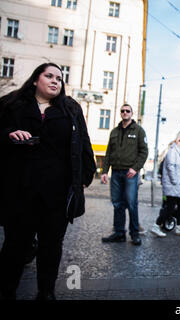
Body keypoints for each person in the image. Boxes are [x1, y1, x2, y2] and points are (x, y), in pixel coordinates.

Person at [0, 62, 96, 300]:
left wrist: (84, 177)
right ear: (35, 79)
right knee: (15, 245)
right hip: (20, 189)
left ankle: (46, 293)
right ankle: (6, 291)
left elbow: (83, 142)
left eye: (59, 78)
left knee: (51, 247)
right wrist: (8, 134)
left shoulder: (70, 108)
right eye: (49, 76)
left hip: (56, 193)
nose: (55, 81)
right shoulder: (12, 103)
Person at [101, 104, 148, 246]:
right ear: (120, 113)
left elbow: (144, 152)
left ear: (132, 113)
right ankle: (119, 233)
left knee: (131, 204)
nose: (125, 112)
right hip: (115, 172)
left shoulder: (139, 131)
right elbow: (108, 153)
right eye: (123, 111)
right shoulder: (114, 132)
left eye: (128, 111)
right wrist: (104, 171)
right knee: (117, 204)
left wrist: (135, 168)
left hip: (130, 173)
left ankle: (134, 234)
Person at [150, 135, 180, 237]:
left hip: (179, 185)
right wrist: (175, 181)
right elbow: (170, 166)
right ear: (175, 141)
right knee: (170, 207)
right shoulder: (172, 151)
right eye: (179, 140)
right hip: (173, 184)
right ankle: (156, 225)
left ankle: (179, 227)